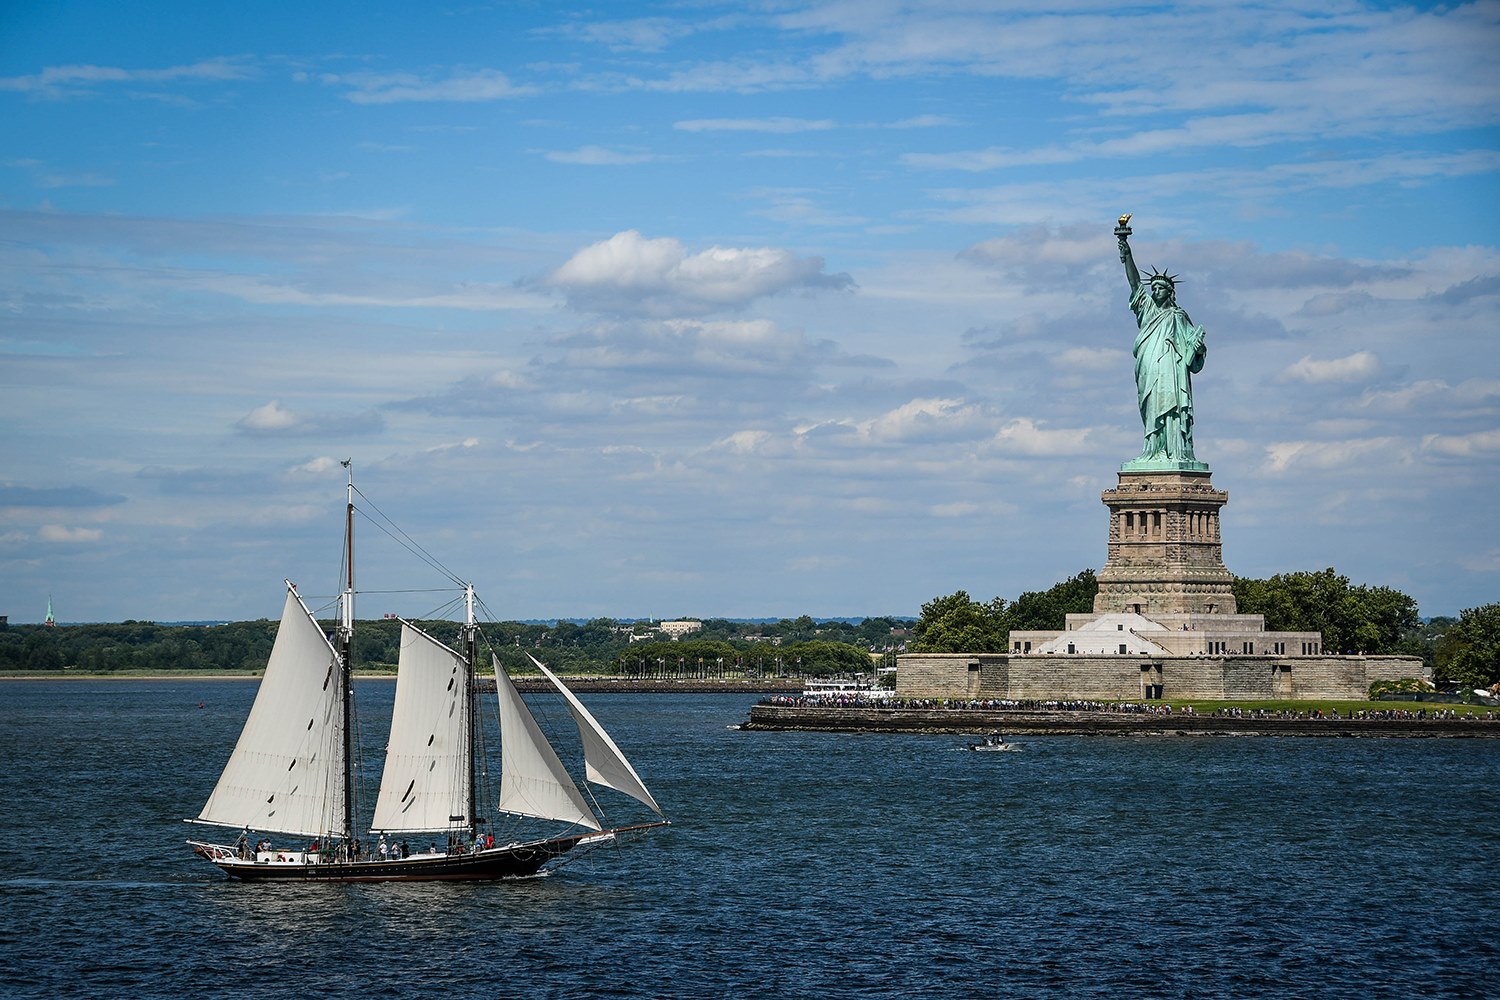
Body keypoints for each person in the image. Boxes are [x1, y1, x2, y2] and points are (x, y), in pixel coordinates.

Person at [1116, 216, 1207, 465]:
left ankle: (1176, 451)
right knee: (1151, 406)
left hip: (1172, 369)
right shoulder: (1146, 310)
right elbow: (1135, 283)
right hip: (1150, 366)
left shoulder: (1179, 316)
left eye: (1160, 288)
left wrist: (1198, 350)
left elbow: (1193, 352)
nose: (1155, 291)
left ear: (1170, 291)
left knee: (1173, 407)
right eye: (1153, 288)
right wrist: (1126, 250)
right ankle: (1153, 449)